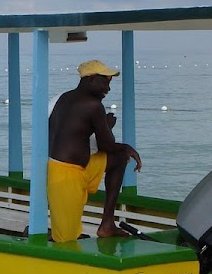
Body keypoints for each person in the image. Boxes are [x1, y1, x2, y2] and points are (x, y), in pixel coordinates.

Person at [47, 59, 143, 242]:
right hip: (65, 175)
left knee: (119, 159)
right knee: (66, 239)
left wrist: (103, 127)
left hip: (78, 166)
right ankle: (45, 235)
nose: (108, 88)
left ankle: (108, 224)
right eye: (105, 81)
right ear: (90, 79)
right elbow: (107, 145)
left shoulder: (61, 98)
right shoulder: (93, 105)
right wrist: (125, 145)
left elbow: (71, 134)